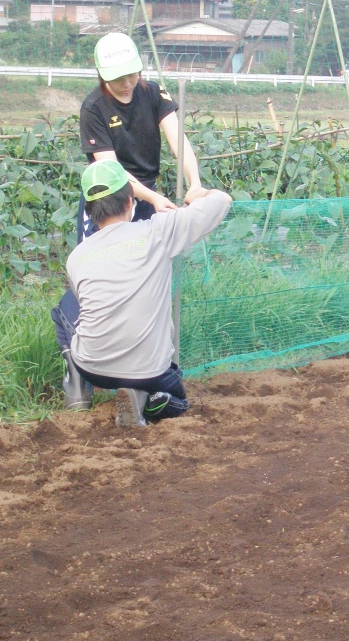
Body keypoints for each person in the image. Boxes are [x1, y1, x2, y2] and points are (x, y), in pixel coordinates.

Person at [52, 159, 232, 427]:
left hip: (94, 368)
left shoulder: (77, 257)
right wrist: (199, 193)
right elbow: (222, 202)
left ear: (91, 211)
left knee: (65, 306)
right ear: (129, 202)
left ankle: (77, 386)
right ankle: (147, 400)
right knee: (177, 398)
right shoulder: (158, 231)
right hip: (151, 371)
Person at [77, 31, 205, 241]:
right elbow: (113, 171)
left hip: (146, 189)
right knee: (103, 259)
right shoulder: (93, 109)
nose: (127, 83)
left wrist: (195, 183)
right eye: (118, 78)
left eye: (132, 74)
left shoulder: (153, 93)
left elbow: (178, 142)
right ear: (103, 75)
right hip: (109, 195)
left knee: (143, 259)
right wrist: (154, 198)